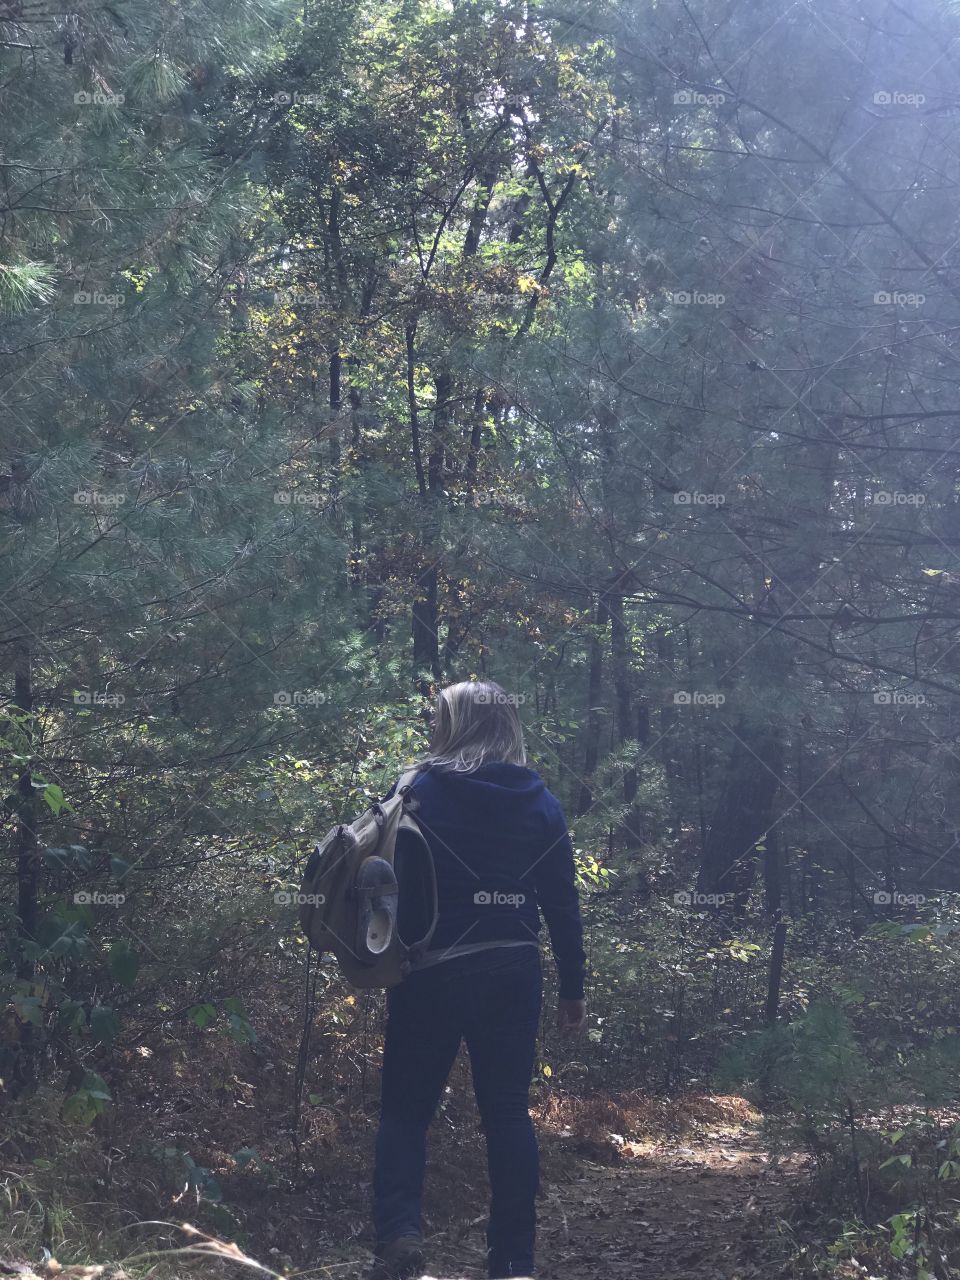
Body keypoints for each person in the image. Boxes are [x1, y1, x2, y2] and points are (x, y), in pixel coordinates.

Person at [371, 679, 587, 1280]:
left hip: (431, 971)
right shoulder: (539, 800)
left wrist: (371, 955)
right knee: (508, 1114)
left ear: (453, 723)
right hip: (513, 970)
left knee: (406, 1113)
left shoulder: (415, 789)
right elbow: (562, 903)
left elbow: (379, 874)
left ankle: (400, 1237)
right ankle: (514, 1259)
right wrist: (574, 988)